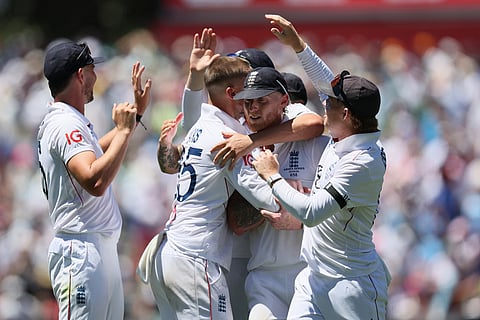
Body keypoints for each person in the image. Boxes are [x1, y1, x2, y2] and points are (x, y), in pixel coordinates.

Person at [174, 27, 325, 320]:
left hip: (303, 267)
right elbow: (238, 220)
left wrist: (253, 142)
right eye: (246, 96)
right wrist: (195, 78)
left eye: (256, 94)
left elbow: (314, 124)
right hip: (243, 261)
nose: (250, 105)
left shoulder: (289, 121)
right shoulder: (234, 125)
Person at [252, 14, 391, 320]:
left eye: (330, 103)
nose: (322, 103)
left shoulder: (363, 162)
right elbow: (323, 80)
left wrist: (271, 175)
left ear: (346, 114)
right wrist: (298, 44)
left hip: (352, 284)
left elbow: (312, 213)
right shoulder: (346, 132)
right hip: (313, 278)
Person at [147, 55, 280, 320]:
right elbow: (268, 199)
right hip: (195, 258)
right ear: (232, 93)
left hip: (169, 251)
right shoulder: (225, 137)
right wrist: (285, 182)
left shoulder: (200, 128)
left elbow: (170, 163)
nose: (251, 103)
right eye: (248, 93)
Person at [37, 40, 151, 319]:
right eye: (91, 69)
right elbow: (95, 181)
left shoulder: (67, 119)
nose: (96, 76)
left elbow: (96, 154)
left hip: (94, 246)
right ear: (79, 75)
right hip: (81, 249)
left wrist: (134, 117)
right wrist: (123, 133)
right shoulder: (65, 123)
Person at [229, 66, 330, 319]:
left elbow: (342, 210)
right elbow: (237, 223)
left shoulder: (318, 146)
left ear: (285, 101)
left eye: (262, 101)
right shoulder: (240, 145)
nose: (253, 109)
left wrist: (303, 219)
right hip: (263, 276)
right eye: (248, 102)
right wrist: (284, 202)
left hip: (310, 272)